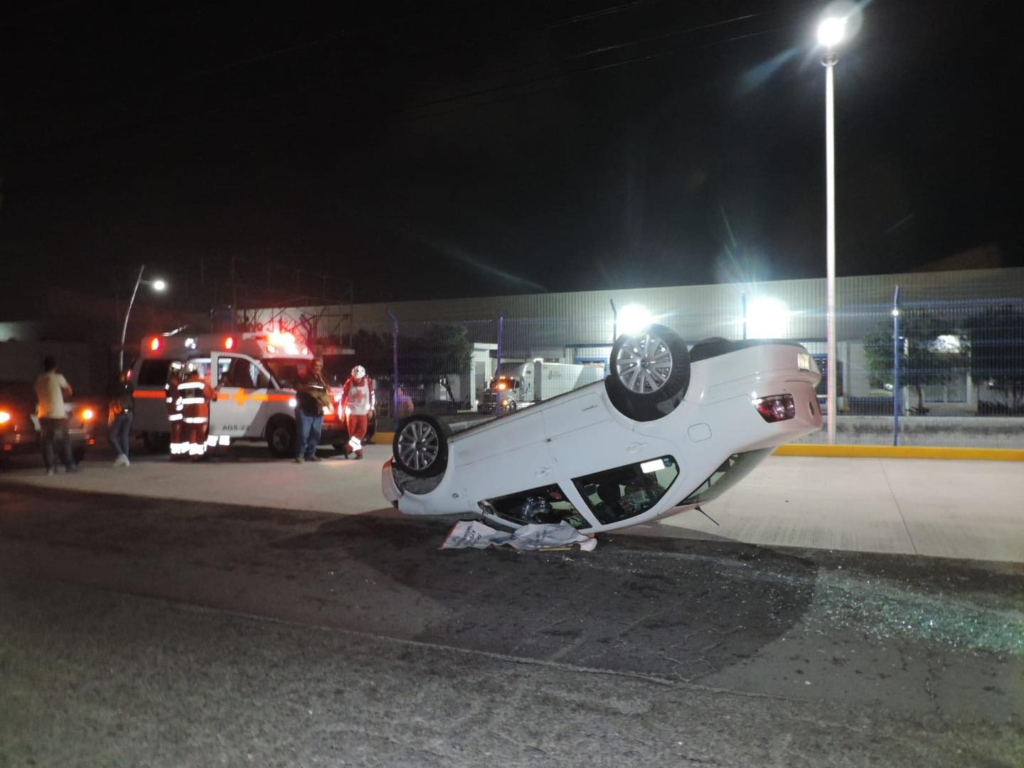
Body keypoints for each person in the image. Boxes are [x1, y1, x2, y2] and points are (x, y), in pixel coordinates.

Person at [34, 356, 78, 475]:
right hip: (57, 415)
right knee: (64, 440)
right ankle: (69, 465)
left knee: (46, 442)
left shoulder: (39, 379)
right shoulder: (58, 377)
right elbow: (69, 390)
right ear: (55, 367)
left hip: (43, 415)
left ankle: (50, 468)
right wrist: (63, 395)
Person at [294, 357, 332, 463]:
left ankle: (311, 454)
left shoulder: (322, 377)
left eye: (320, 366)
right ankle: (300, 455)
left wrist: (327, 388)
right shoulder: (303, 375)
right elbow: (297, 387)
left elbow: (326, 390)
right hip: (304, 410)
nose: (318, 368)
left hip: (318, 411)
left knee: (316, 434)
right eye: (316, 365)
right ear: (311, 366)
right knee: (303, 434)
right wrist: (310, 388)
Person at [179, 365, 214, 460]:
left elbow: (180, 398)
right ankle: (199, 454)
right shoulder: (202, 383)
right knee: (200, 434)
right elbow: (210, 395)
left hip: (188, 414)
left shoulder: (182, 384)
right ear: (196, 372)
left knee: (191, 434)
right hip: (200, 414)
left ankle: (194, 455)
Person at [341, 365, 374, 460]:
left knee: (362, 431)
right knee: (353, 434)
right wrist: (342, 411)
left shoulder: (368, 383)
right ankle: (359, 453)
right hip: (351, 413)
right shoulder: (348, 383)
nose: (357, 380)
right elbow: (343, 398)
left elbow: (372, 396)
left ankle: (347, 447)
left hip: (363, 413)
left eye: (359, 378)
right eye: (355, 378)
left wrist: (371, 409)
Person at [107, 369, 134, 467]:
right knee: (124, 436)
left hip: (119, 413)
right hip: (129, 413)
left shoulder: (114, 387)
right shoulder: (129, 386)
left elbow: (110, 397)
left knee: (111, 436)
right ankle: (126, 458)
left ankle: (121, 455)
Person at [165, 365, 186, 459]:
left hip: (172, 410)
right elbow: (179, 396)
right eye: (180, 372)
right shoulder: (175, 383)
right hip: (177, 411)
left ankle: (176, 453)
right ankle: (176, 454)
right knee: (177, 432)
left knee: (175, 432)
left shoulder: (170, 382)